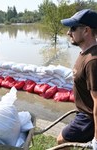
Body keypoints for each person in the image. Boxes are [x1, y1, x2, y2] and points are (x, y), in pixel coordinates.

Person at [57, 9, 97, 149]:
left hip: (88, 119)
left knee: (61, 140)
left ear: (86, 30)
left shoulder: (92, 61)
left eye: (73, 28)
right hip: (84, 113)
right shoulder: (85, 53)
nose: (69, 32)